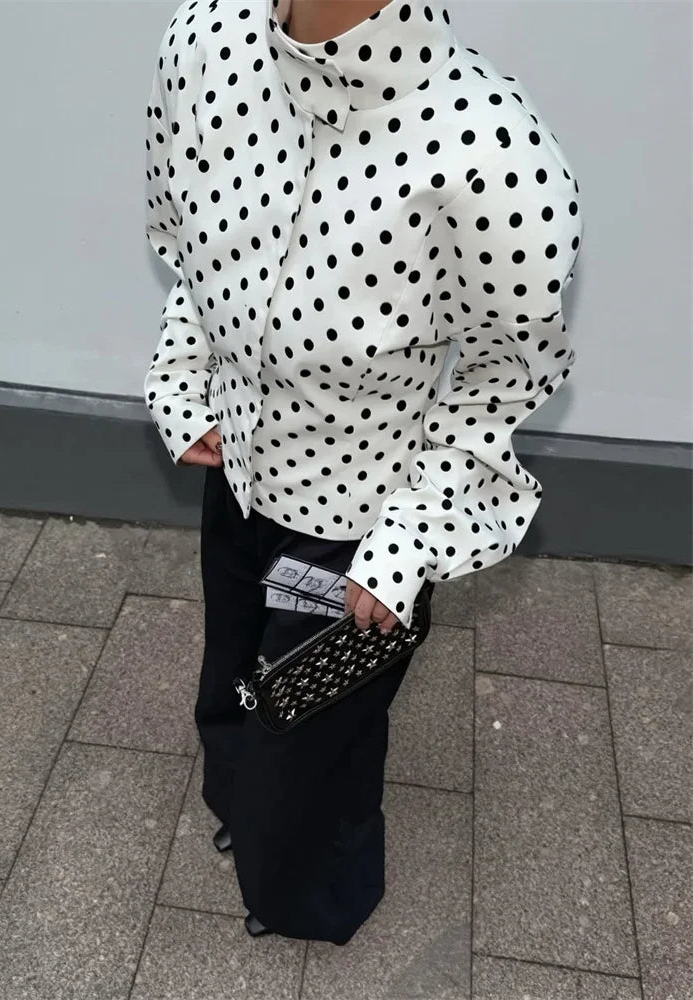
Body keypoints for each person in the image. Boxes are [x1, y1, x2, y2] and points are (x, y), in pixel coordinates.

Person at [143, 0, 584, 945]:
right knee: (232, 682)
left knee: (310, 752)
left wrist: (412, 538)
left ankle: (306, 895)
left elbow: (507, 374)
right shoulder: (206, 39)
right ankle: (246, 810)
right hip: (238, 473)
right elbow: (190, 239)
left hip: (355, 534)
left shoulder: (490, 148)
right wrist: (185, 375)